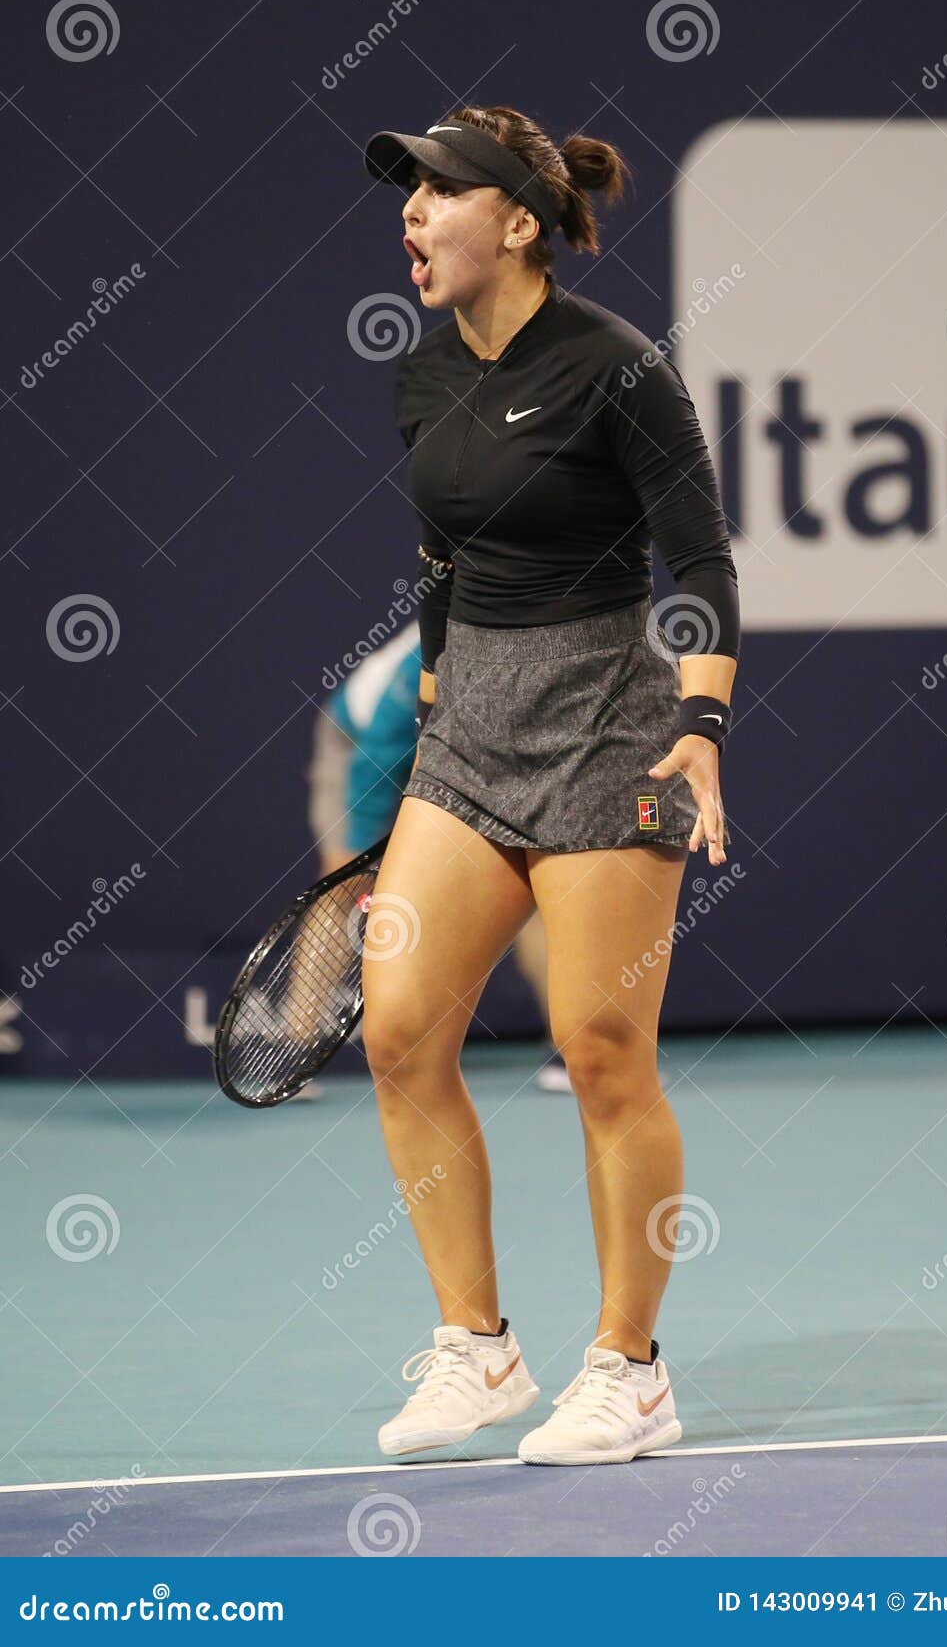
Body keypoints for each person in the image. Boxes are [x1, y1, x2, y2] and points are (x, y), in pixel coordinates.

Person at [360, 105, 740, 1466]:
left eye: (434, 193)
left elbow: (699, 565)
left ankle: (627, 1366)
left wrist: (699, 727)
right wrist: (428, 708)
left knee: (598, 1051)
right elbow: (444, 566)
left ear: (514, 223)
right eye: (402, 193)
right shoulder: (418, 374)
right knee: (397, 1029)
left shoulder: (614, 367)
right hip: (470, 733)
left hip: (606, 723)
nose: (407, 213)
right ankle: (478, 1346)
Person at [306, 618, 573, 1093]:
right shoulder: (430, 661)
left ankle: (568, 1047)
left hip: (461, 754)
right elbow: (380, 754)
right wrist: (354, 849)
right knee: (343, 887)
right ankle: (300, 1042)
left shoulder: (540, 650)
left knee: (531, 885)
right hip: (360, 740)